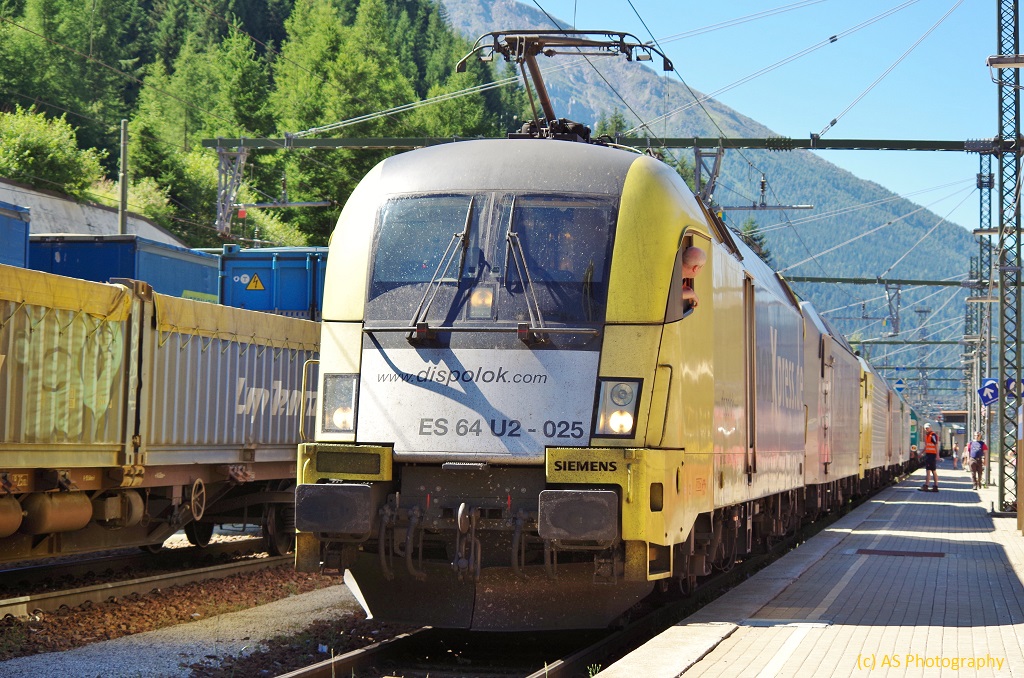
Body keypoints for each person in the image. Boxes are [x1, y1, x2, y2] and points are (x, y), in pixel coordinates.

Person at [919, 423, 940, 492]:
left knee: (933, 470)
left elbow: (936, 445)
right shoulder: (927, 436)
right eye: (926, 428)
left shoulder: (933, 435)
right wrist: (921, 453)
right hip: (928, 455)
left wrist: (937, 455)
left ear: (930, 428)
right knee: (928, 470)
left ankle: (934, 485)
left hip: (932, 455)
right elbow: (927, 446)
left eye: (928, 428)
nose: (927, 429)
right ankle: (927, 485)